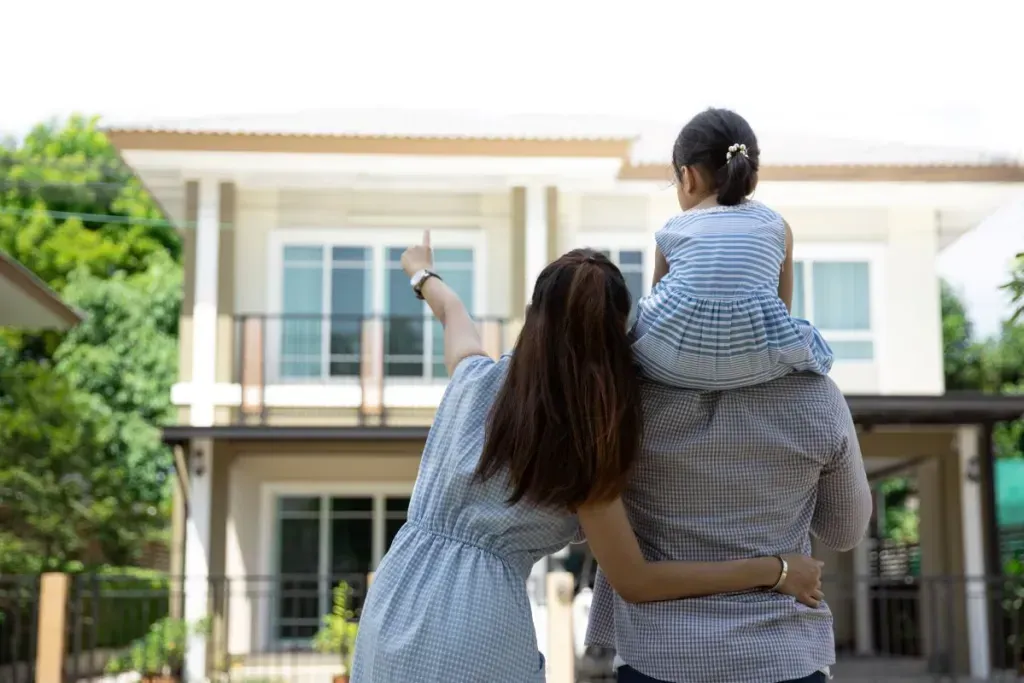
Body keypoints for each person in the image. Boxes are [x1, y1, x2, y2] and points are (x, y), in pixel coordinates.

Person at [350, 232, 826, 683]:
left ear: (531, 316)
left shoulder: (472, 383)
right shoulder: (581, 442)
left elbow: (453, 316)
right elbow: (635, 579)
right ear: (614, 339)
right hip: (478, 623)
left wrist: (421, 273)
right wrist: (778, 570)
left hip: (394, 603)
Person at [584, 112, 874, 683]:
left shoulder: (627, 401)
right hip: (782, 659)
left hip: (660, 660)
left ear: (687, 178)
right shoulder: (817, 400)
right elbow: (845, 531)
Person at [631, 107, 834, 390]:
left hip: (670, 365)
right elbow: (781, 311)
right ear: (751, 172)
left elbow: (656, 309)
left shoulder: (673, 230)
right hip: (758, 363)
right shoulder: (776, 226)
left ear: (688, 177)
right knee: (808, 334)